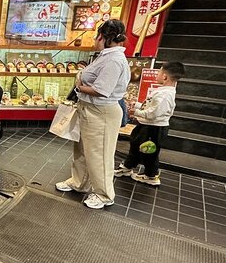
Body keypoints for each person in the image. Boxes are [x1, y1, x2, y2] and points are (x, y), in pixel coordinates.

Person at [55, 20, 130, 209]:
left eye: (97, 36)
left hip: (102, 111)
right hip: (88, 109)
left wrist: (80, 86)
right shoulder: (106, 56)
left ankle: (104, 194)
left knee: (100, 153)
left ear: (103, 37)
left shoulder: (114, 59)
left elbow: (102, 90)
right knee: (82, 149)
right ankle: (79, 182)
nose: (96, 40)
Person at [114, 62, 186, 186]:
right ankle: (127, 167)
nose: (156, 75)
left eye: (159, 72)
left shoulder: (165, 95)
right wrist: (136, 105)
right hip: (146, 126)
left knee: (149, 152)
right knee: (135, 146)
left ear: (165, 77)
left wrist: (135, 111)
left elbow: (154, 113)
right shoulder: (163, 91)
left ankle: (151, 176)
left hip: (154, 128)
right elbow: (151, 106)